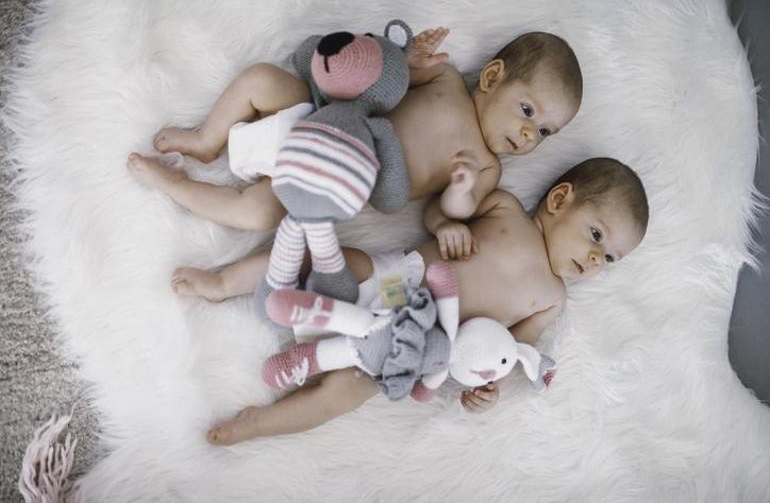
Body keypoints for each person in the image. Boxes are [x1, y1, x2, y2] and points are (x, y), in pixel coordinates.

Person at [181, 157, 649, 445]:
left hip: (411, 342)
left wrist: (491, 386)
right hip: (395, 282)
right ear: (560, 199)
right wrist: (449, 225)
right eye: (596, 235)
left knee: (347, 394)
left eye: (610, 258)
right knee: (330, 257)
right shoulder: (505, 207)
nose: (596, 259)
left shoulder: (552, 298)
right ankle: (223, 283)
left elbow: (514, 349)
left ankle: (257, 424)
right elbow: (436, 211)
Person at [126, 28, 583, 233]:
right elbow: (388, 78)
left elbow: (445, 212)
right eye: (528, 111)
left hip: (331, 183)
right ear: (493, 76)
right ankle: (207, 140)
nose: (529, 135)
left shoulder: (485, 168)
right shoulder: (444, 80)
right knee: (262, 79)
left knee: (259, 214)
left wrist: (460, 193)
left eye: (545, 132)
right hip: (322, 113)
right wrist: (408, 58)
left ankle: (176, 187)